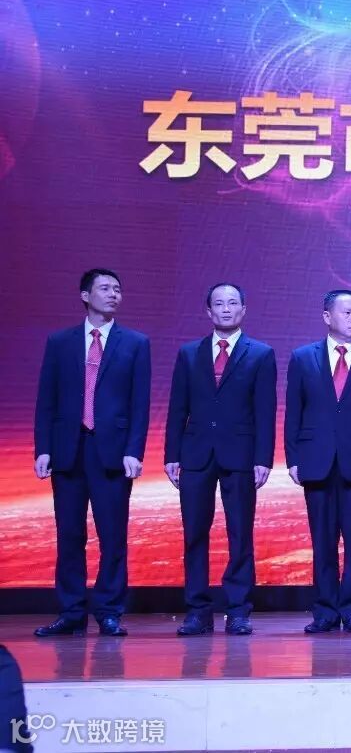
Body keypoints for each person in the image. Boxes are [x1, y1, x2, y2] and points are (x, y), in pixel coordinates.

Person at [33, 269, 151, 638]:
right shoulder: (60, 342)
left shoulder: (136, 343)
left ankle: (109, 611)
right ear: (85, 295)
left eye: (118, 289)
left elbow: (140, 404)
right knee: (69, 535)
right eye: (105, 288)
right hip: (68, 449)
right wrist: (43, 448)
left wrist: (134, 450)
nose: (113, 294)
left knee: (112, 536)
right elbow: (46, 399)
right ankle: (71, 611)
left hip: (112, 452)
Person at [163, 282, 276, 636]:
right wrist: (171, 454)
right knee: (194, 533)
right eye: (219, 304)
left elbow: (265, 411)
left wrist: (263, 458)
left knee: (240, 534)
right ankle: (198, 611)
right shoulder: (189, 353)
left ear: (243, 310)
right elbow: (177, 407)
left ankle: (238, 610)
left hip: (241, 455)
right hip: (195, 454)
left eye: (232, 303)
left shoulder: (261, 354)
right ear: (208, 311)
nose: (226, 309)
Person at [285, 290, 351, 634]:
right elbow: (293, 412)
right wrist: (293, 458)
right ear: (327, 316)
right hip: (317, 462)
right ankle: (325, 611)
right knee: (322, 541)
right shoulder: (303, 358)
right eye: (347, 312)